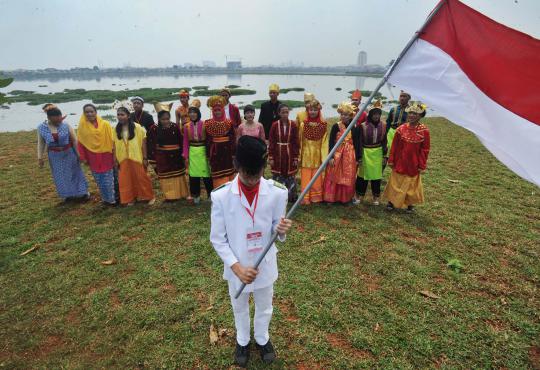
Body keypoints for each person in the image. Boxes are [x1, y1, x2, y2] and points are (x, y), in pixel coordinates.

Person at [210, 135, 292, 367]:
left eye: (257, 174)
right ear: (237, 165)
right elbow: (218, 239)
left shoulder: (278, 192)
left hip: (265, 264)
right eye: (248, 174)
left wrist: (282, 229)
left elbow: (278, 228)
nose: (253, 180)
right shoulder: (221, 196)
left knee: (265, 305)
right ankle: (243, 340)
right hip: (238, 266)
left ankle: (262, 338)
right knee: (240, 306)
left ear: (263, 167)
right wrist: (237, 268)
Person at [383, 102, 430, 212]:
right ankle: (391, 202)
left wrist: (421, 164)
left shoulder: (424, 131)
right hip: (400, 161)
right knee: (395, 182)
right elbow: (394, 146)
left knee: (412, 184)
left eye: (415, 114)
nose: (412, 115)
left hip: (414, 162)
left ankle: (409, 204)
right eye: (411, 113)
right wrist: (391, 160)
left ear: (420, 116)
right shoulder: (401, 129)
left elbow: (425, 149)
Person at [37, 105, 89, 202]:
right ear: (48, 118)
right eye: (55, 121)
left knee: (75, 173)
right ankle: (68, 195)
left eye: (59, 119)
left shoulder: (66, 125)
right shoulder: (41, 128)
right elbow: (41, 143)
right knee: (60, 176)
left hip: (69, 153)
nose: (58, 122)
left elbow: (74, 140)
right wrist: (40, 157)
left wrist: (79, 155)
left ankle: (82, 193)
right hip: (54, 155)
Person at [113, 107, 155, 206]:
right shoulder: (115, 129)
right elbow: (114, 145)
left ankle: (149, 197)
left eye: (122, 114)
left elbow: (143, 143)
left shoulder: (137, 127)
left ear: (128, 116)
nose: (120, 116)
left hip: (136, 157)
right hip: (123, 158)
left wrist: (145, 157)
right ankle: (130, 198)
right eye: (118, 114)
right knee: (126, 180)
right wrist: (115, 159)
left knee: (142, 178)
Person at [147, 102, 189, 201]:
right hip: (162, 157)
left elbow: (181, 140)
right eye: (163, 119)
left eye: (167, 119)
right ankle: (170, 197)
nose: (165, 121)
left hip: (176, 156)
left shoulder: (175, 126)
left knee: (178, 175)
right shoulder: (154, 128)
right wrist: (153, 159)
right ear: (159, 119)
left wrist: (184, 154)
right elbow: (151, 144)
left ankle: (181, 194)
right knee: (166, 177)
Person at [77, 103, 117, 206]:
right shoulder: (82, 127)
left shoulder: (105, 124)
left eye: (91, 111)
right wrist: (83, 157)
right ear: (84, 114)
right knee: (99, 179)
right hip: (92, 156)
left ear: (96, 112)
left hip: (106, 155)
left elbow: (112, 141)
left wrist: (115, 156)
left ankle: (112, 200)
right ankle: (105, 199)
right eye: (87, 112)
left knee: (109, 179)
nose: (89, 114)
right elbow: (81, 143)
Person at [323, 102, 358, 204]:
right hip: (337, 154)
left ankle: (344, 198)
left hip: (349, 155)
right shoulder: (336, 126)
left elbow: (357, 142)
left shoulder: (354, 126)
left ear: (351, 115)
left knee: (347, 175)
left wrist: (358, 157)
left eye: (346, 115)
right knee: (333, 174)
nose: (343, 116)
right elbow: (331, 142)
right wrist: (331, 156)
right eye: (342, 114)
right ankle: (330, 197)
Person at [355, 100, 388, 205]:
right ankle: (359, 196)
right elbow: (359, 142)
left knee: (376, 176)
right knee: (362, 176)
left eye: (378, 114)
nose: (376, 116)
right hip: (365, 152)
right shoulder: (363, 126)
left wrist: (384, 155)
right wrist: (359, 157)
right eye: (374, 114)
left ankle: (376, 197)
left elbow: (384, 141)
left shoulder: (383, 125)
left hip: (377, 153)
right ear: (370, 114)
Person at [183, 99, 213, 204]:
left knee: (207, 175)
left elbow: (209, 140)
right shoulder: (186, 126)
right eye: (190, 112)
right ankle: (195, 195)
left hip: (203, 151)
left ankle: (210, 194)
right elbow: (185, 142)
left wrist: (209, 154)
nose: (192, 114)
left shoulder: (205, 124)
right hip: (192, 152)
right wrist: (186, 156)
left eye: (194, 112)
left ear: (198, 113)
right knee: (193, 175)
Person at [298, 99, 328, 204]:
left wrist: (324, 157)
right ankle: (305, 197)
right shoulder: (303, 125)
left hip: (317, 154)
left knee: (317, 175)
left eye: (315, 110)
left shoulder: (323, 125)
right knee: (306, 175)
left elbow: (324, 142)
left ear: (318, 111)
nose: (313, 112)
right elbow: (300, 140)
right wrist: (299, 155)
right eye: (311, 110)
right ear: (307, 111)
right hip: (306, 154)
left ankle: (316, 197)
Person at [268, 103, 300, 202]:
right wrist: (271, 157)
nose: (285, 114)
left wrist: (295, 157)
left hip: (289, 152)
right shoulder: (274, 125)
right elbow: (272, 141)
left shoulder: (293, 125)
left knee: (290, 174)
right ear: (279, 113)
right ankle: (277, 197)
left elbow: (296, 142)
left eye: (287, 112)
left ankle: (291, 196)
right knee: (278, 174)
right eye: (283, 112)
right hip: (278, 152)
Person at [204, 95, 236, 188]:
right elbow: (207, 140)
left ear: (222, 110)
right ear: (212, 111)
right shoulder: (208, 123)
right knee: (217, 172)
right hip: (215, 152)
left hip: (227, 152)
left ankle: (230, 190)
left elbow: (232, 138)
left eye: (219, 110)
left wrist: (233, 152)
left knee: (229, 171)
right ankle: (219, 191)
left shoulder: (229, 122)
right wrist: (208, 154)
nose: (217, 112)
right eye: (215, 110)